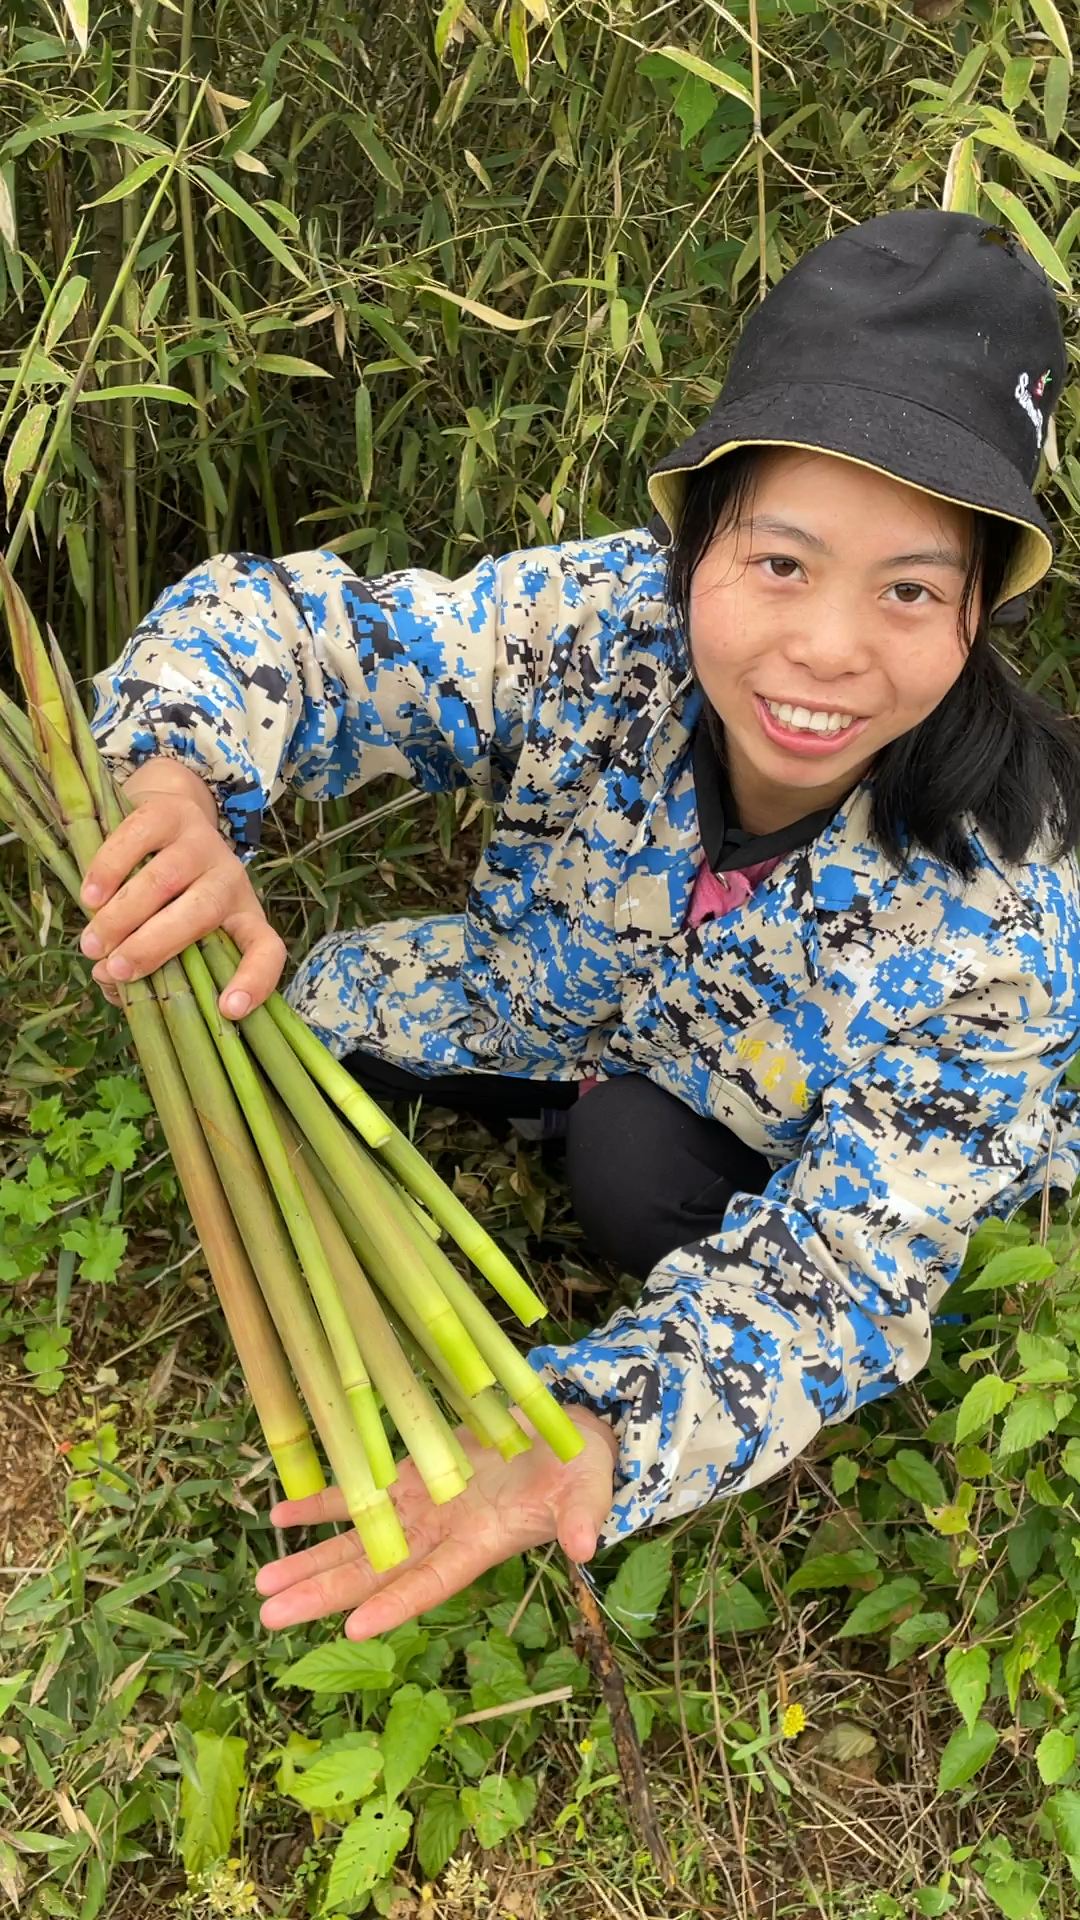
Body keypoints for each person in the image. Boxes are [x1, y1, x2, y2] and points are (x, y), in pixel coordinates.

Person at [84, 209, 1080, 1642]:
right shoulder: (596, 621)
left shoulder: (1006, 905)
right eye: (782, 564)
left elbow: (847, 1272)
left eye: (911, 590)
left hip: (765, 1124)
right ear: (693, 544)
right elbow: (298, 635)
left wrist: (594, 1428)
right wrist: (178, 776)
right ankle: (577, 1108)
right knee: (314, 1008)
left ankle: (628, 1161)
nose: (828, 650)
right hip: (559, 1001)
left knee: (632, 1168)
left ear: (980, 613)